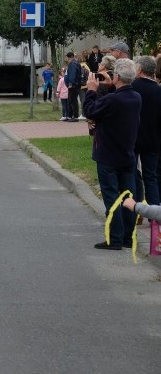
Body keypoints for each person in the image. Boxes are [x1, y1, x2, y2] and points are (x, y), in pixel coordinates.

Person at [83, 58, 141, 250]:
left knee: (112, 197)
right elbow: (110, 108)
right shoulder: (135, 97)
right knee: (128, 198)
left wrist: (92, 90)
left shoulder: (112, 100)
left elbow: (90, 111)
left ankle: (114, 238)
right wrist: (109, 88)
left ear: (116, 77)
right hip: (127, 154)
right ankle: (127, 237)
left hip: (108, 155)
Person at [130, 56, 161, 207]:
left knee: (133, 174)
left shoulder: (132, 87)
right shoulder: (158, 90)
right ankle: (154, 213)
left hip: (133, 138)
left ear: (140, 69)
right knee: (151, 176)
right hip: (153, 138)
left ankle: (136, 208)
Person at [64, 52, 81, 122]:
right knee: (70, 100)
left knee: (73, 101)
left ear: (70, 57)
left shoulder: (73, 64)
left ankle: (75, 116)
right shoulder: (74, 63)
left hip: (74, 85)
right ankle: (69, 116)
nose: (67, 59)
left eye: (68, 58)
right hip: (74, 85)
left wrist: (70, 83)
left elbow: (72, 74)